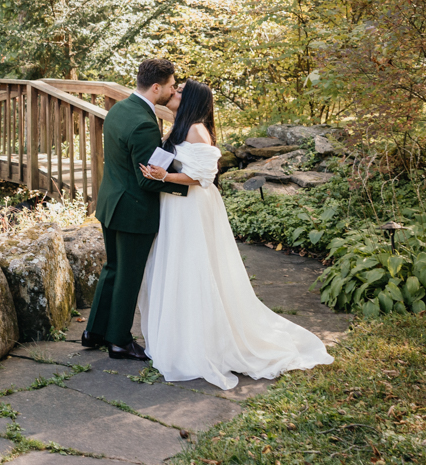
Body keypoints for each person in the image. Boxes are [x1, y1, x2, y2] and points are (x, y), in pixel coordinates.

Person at [138, 80, 333, 389]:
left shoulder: (196, 130)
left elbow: (203, 176)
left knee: (195, 267)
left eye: (179, 91)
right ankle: (182, 336)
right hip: (176, 205)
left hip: (192, 207)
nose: (173, 93)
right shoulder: (180, 127)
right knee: (178, 267)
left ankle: (202, 343)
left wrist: (166, 175)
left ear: (189, 101)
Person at [83, 58, 189, 360]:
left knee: (113, 269)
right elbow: (148, 181)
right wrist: (189, 188)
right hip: (133, 210)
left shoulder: (120, 108)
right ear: (156, 87)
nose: (172, 91)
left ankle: (94, 331)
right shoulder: (145, 124)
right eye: (170, 86)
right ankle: (118, 340)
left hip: (111, 203)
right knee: (128, 275)